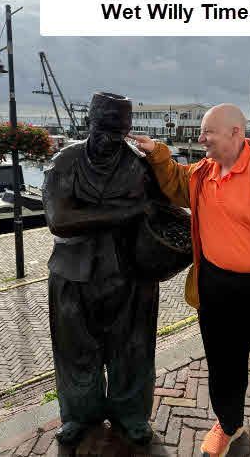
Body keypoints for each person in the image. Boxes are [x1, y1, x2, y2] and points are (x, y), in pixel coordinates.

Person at [129, 104, 250, 457]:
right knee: (223, 367)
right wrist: (156, 152)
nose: (201, 139)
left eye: (208, 132)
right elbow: (175, 182)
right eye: (201, 132)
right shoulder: (203, 172)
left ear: (236, 133)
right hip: (216, 289)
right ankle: (229, 424)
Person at [42, 92, 161, 449]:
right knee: (74, 350)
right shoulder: (65, 161)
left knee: (133, 349)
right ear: (89, 124)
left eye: (118, 132)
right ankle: (79, 414)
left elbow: (158, 211)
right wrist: (127, 212)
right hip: (73, 273)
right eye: (103, 130)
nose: (110, 139)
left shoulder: (139, 165)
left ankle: (131, 414)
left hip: (130, 273)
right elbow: (60, 220)